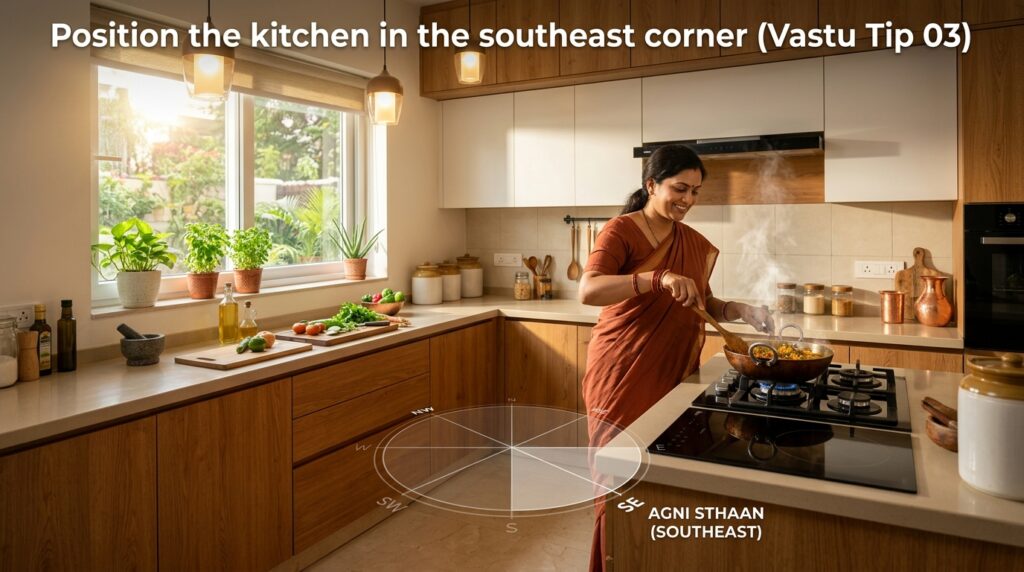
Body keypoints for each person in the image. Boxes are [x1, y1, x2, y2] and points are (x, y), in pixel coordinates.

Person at [577, 144, 774, 572]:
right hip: (624, 370)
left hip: (676, 372)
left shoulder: (692, 241)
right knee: (620, 475)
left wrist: (738, 310)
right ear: (652, 185)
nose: (687, 200)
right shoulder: (620, 231)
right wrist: (655, 278)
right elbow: (588, 290)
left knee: (664, 474)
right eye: (679, 188)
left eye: (696, 192)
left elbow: (699, 300)